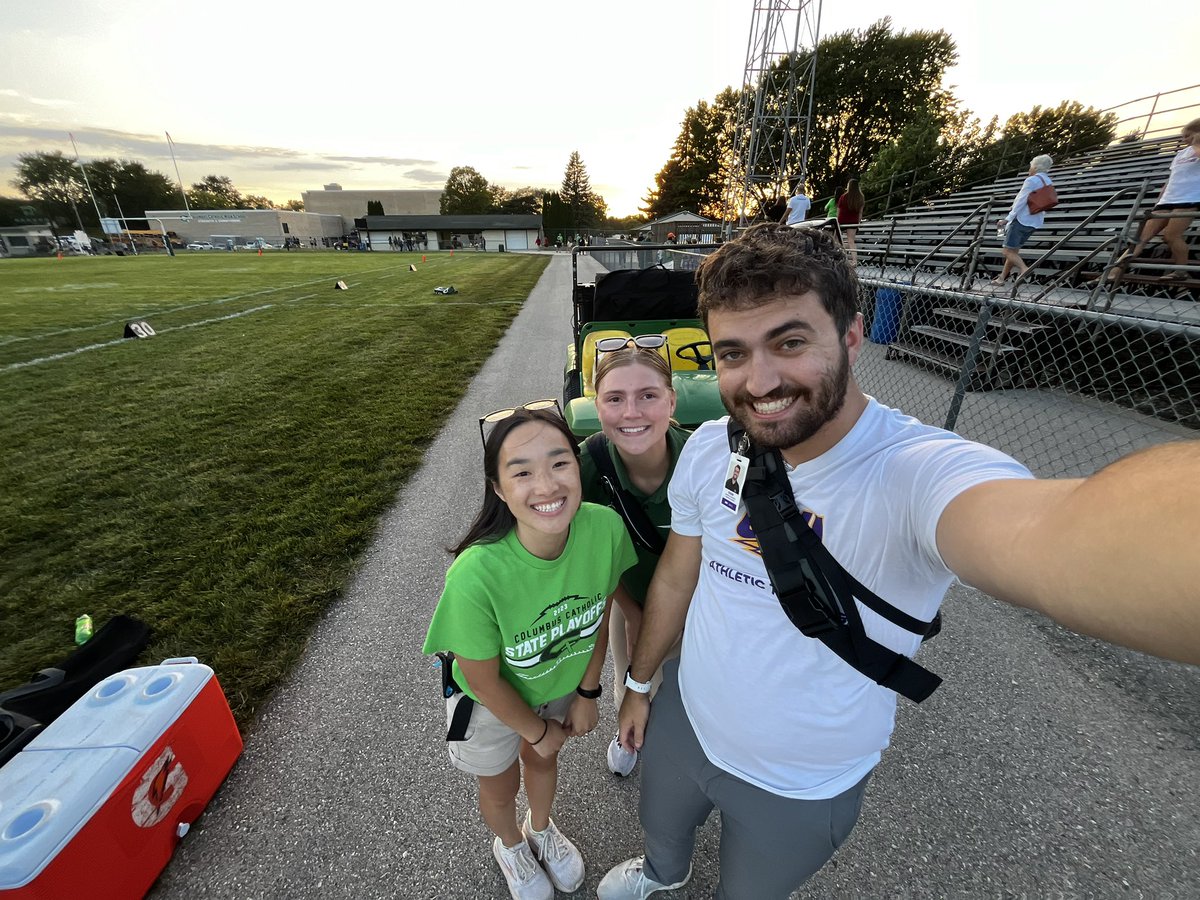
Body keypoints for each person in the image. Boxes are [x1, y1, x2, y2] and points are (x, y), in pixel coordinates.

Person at [596, 223, 1200, 900]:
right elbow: (681, 571)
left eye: (790, 342)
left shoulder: (914, 472)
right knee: (659, 830)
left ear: (852, 336)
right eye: (733, 352)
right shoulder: (711, 447)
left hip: (801, 781)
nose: (759, 381)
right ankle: (662, 875)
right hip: (686, 718)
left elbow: (1061, 536)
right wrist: (643, 686)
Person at [424, 403, 637, 900]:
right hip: (490, 706)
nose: (546, 486)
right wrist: (535, 728)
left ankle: (542, 827)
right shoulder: (476, 574)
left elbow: (599, 611)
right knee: (498, 787)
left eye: (559, 463)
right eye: (522, 472)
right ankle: (511, 844)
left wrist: (589, 691)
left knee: (544, 762)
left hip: (559, 686)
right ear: (498, 488)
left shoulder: (603, 529)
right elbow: (481, 678)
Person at [579, 344, 691, 778]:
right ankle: (630, 737)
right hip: (634, 601)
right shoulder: (586, 468)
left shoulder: (703, 460)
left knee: (696, 697)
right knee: (632, 683)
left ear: (671, 400)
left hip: (702, 602)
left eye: (648, 395)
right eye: (614, 398)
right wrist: (631, 610)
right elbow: (591, 559)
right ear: (597, 405)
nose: (631, 412)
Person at [1119, 118, 1200, 282]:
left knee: (1171, 236)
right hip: (1168, 199)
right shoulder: (1180, 154)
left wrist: (1197, 143)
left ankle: (1181, 272)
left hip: (1189, 199)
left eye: (1187, 135)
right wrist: (1159, 199)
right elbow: (1171, 178)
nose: (1184, 139)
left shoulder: (1197, 150)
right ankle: (1113, 272)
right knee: (1140, 238)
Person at [993, 154, 1054, 286]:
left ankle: (1024, 269)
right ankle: (1001, 278)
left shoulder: (1031, 181)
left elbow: (1021, 200)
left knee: (1007, 251)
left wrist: (1007, 218)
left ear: (1036, 167)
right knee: (1014, 251)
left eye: (1031, 166)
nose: (1030, 168)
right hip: (1035, 221)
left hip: (1022, 219)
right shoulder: (1048, 181)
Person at [836, 178, 866, 265]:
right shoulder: (860, 197)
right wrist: (858, 222)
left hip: (842, 220)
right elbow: (860, 212)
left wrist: (837, 220)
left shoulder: (843, 197)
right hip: (853, 221)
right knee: (851, 241)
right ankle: (854, 260)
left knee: (837, 240)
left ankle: (841, 258)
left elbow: (839, 210)